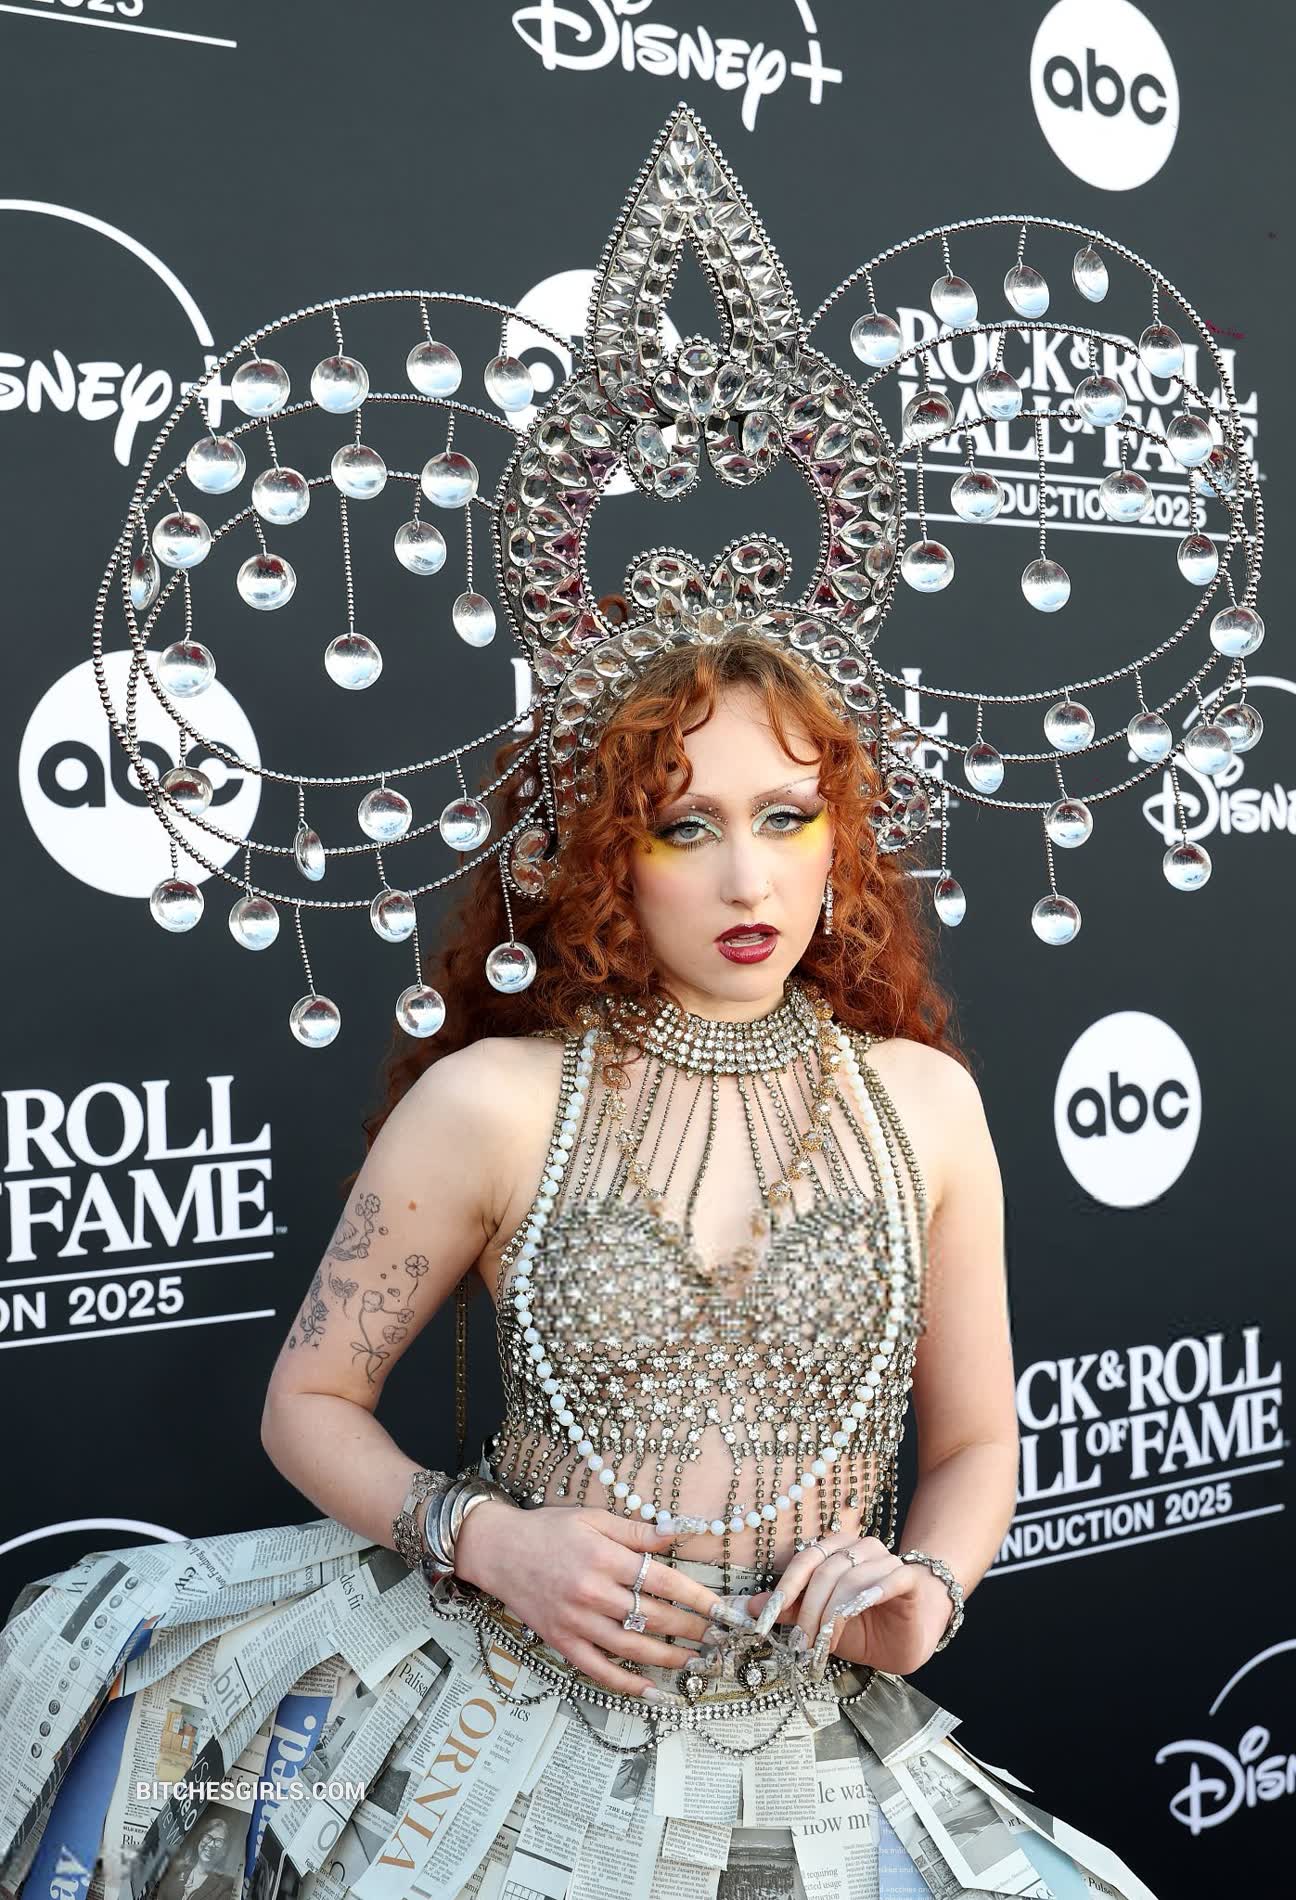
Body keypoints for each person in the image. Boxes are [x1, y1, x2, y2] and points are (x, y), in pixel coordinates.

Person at [0, 630, 1159, 1900]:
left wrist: (927, 1591)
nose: (748, 878)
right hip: (505, 1709)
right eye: (684, 828)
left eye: (786, 816)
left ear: (841, 836)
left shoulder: (926, 1105)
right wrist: (492, 1543)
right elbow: (308, 1402)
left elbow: (979, 1439)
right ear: (602, 852)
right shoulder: (492, 1102)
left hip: (808, 1734)